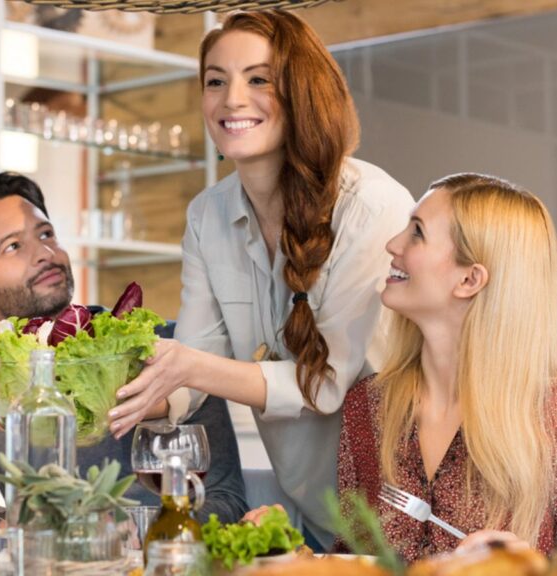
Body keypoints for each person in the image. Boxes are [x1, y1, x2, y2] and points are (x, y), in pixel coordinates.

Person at [105, 11, 414, 547]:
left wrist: (189, 365)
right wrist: (131, 395)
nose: (232, 101)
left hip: (401, 509)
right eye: (215, 81)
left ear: (303, 93)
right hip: (315, 515)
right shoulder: (208, 215)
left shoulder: (369, 207)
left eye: (258, 79)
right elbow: (194, 364)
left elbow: (324, 385)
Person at [336, 174, 557, 574]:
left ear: (469, 279)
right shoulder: (366, 406)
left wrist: (529, 568)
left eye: (417, 233)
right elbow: (347, 558)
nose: (393, 244)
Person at [0, 171, 248, 524]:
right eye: (13, 246)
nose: (44, 253)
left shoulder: (165, 353)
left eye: (46, 234)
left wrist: (120, 535)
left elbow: (226, 499)